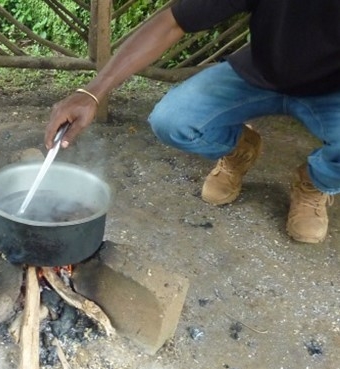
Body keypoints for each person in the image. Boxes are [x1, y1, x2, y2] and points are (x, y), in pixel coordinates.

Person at [45, 0, 340, 244]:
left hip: (330, 91)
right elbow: (172, 22)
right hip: (259, 73)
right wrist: (92, 93)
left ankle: (316, 182)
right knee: (172, 119)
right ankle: (240, 149)